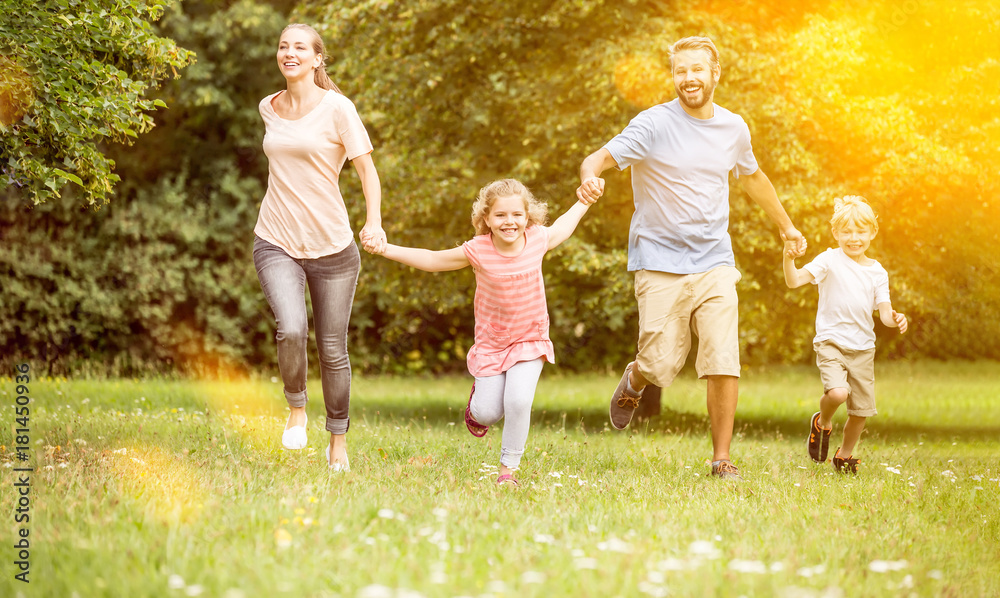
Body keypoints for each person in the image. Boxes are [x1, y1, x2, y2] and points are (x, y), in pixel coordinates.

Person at [576, 36, 808, 480]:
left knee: (723, 356)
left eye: (697, 70)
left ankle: (721, 458)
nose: (689, 79)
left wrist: (787, 225)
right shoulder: (653, 124)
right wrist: (589, 180)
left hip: (715, 260)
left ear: (715, 73)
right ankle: (636, 379)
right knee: (660, 364)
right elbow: (598, 159)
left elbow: (753, 177)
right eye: (681, 71)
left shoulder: (734, 128)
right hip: (659, 260)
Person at [372, 179, 594, 486]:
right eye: (501, 215)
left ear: (527, 216)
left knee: (518, 401)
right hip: (492, 344)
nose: (510, 222)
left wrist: (585, 201)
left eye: (517, 214)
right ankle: (476, 408)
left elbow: (562, 227)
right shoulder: (478, 250)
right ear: (486, 219)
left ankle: (508, 471)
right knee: (488, 413)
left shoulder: (537, 239)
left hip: (530, 339)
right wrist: (385, 249)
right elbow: (434, 260)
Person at [252, 23, 387, 472]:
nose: (289, 53)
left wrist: (374, 223)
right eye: (283, 46)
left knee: (333, 349)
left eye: (299, 47)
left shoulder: (338, 109)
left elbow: (367, 172)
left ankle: (338, 443)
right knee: (291, 328)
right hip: (275, 239)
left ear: (317, 59)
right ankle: (295, 408)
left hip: (332, 247)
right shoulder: (268, 107)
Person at [782, 196, 908, 474]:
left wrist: (895, 318)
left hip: (863, 349)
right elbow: (793, 281)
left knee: (861, 411)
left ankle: (844, 456)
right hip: (831, 342)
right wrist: (787, 258)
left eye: (861, 231)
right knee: (838, 393)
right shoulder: (829, 259)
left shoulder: (878, 272)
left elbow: (884, 313)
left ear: (872, 233)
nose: (854, 238)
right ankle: (823, 422)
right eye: (847, 232)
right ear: (835, 233)